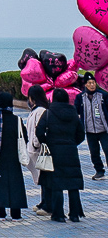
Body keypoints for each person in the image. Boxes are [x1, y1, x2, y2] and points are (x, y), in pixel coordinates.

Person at [36, 88, 86, 223]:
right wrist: (72, 143)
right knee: (73, 183)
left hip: (54, 151)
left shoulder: (48, 113)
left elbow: (39, 131)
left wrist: (46, 142)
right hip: (70, 151)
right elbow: (81, 134)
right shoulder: (73, 112)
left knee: (56, 183)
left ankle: (58, 214)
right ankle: (75, 214)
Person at [0, 92, 28, 221]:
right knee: (15, 184)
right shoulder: (17, 120)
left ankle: (0, 213)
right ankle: (16, 214)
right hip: (14, 157)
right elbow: (24, 137)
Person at [73, 72, 108, 181]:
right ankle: (99, 171)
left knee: (107, 150)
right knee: (94, 152)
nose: (92, 85)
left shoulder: (103, 95)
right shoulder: (80, 97)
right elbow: (76, 110)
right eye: (90, 83)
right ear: (85, 85)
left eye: (93, 83)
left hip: (103, 130)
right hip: (90, 131)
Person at [25, 84, 51, 215]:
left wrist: (35, 144)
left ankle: (47, 203)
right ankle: (43, 201)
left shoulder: (41, 111)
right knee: (40, 177)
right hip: (33, 148)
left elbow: (38, 129)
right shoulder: (36, 110)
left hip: (38, 149)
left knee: (44, 176)